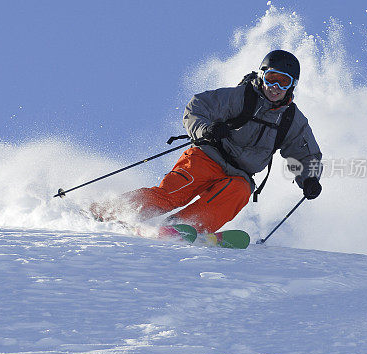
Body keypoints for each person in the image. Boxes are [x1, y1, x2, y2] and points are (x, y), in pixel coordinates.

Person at [90, 50, 322, 234]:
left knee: (239, 192)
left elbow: (308, 155)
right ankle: (107, 211)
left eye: (284, 82)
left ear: (292, 85)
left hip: (239, 175)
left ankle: (182, 227)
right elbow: (197, 107)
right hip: (208, 157)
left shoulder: (291, 120)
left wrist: (310, 179)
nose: (276, 88)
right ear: (262, 76)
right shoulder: (240, 97)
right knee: (172, 194)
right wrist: (206, 129)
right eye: (272, 79)